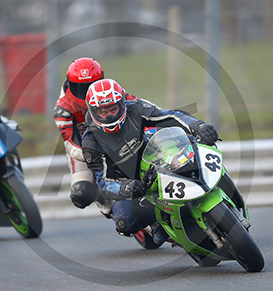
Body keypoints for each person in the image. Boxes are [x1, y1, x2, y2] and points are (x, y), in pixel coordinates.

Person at [81, 78, 220, 241]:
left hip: (152, 154)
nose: (109, 115)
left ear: (122, 104)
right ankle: (157, 223)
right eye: (103, 112)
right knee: (125, 222)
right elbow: (102, 183)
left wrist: (198, 126)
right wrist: (131, 187)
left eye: (113, 109)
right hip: (127, 180)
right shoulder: (91, 141)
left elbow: (170, 116)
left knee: (189, 148)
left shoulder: (136, 108)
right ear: (93, 111)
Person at [53, 57, 138, 214]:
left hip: (118, 139)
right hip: (84, 150)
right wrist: (98, 154)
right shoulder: (63, 109)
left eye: (90, 85)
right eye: (81, 88)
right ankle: (103, 199)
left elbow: (140, 106)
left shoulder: (110, 92)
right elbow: (72, 146)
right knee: (81, 193)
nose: (87, 92)